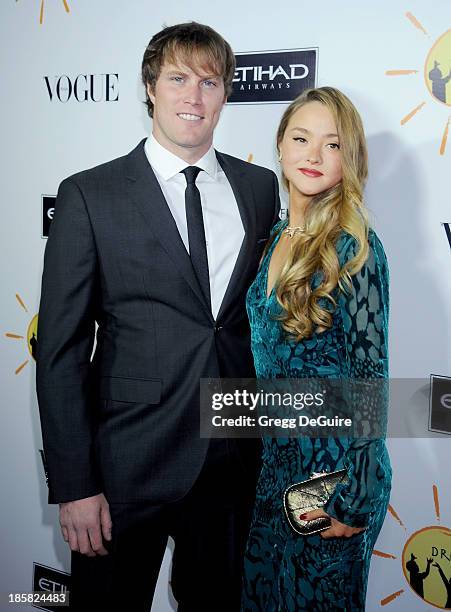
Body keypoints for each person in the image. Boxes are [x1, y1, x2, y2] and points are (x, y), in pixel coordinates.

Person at [36, 21, 280, 611]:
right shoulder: (89, 195)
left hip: (230, 463)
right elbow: (61, 351)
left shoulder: (259, 188)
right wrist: (75, 486)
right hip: (125, 467)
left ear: (226, 94)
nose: (193, 97)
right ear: (150, 87)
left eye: (210, 81)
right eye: (177, 79)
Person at [242, 87, 392, 610]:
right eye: (301, 138)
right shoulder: (275, 236)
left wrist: (356, 496)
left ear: (349, 159)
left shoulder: (355, 249)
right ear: (280, 146)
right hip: (274, 472)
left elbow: (371, 380)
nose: (313, 155)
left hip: (335, 478)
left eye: (332, 145)